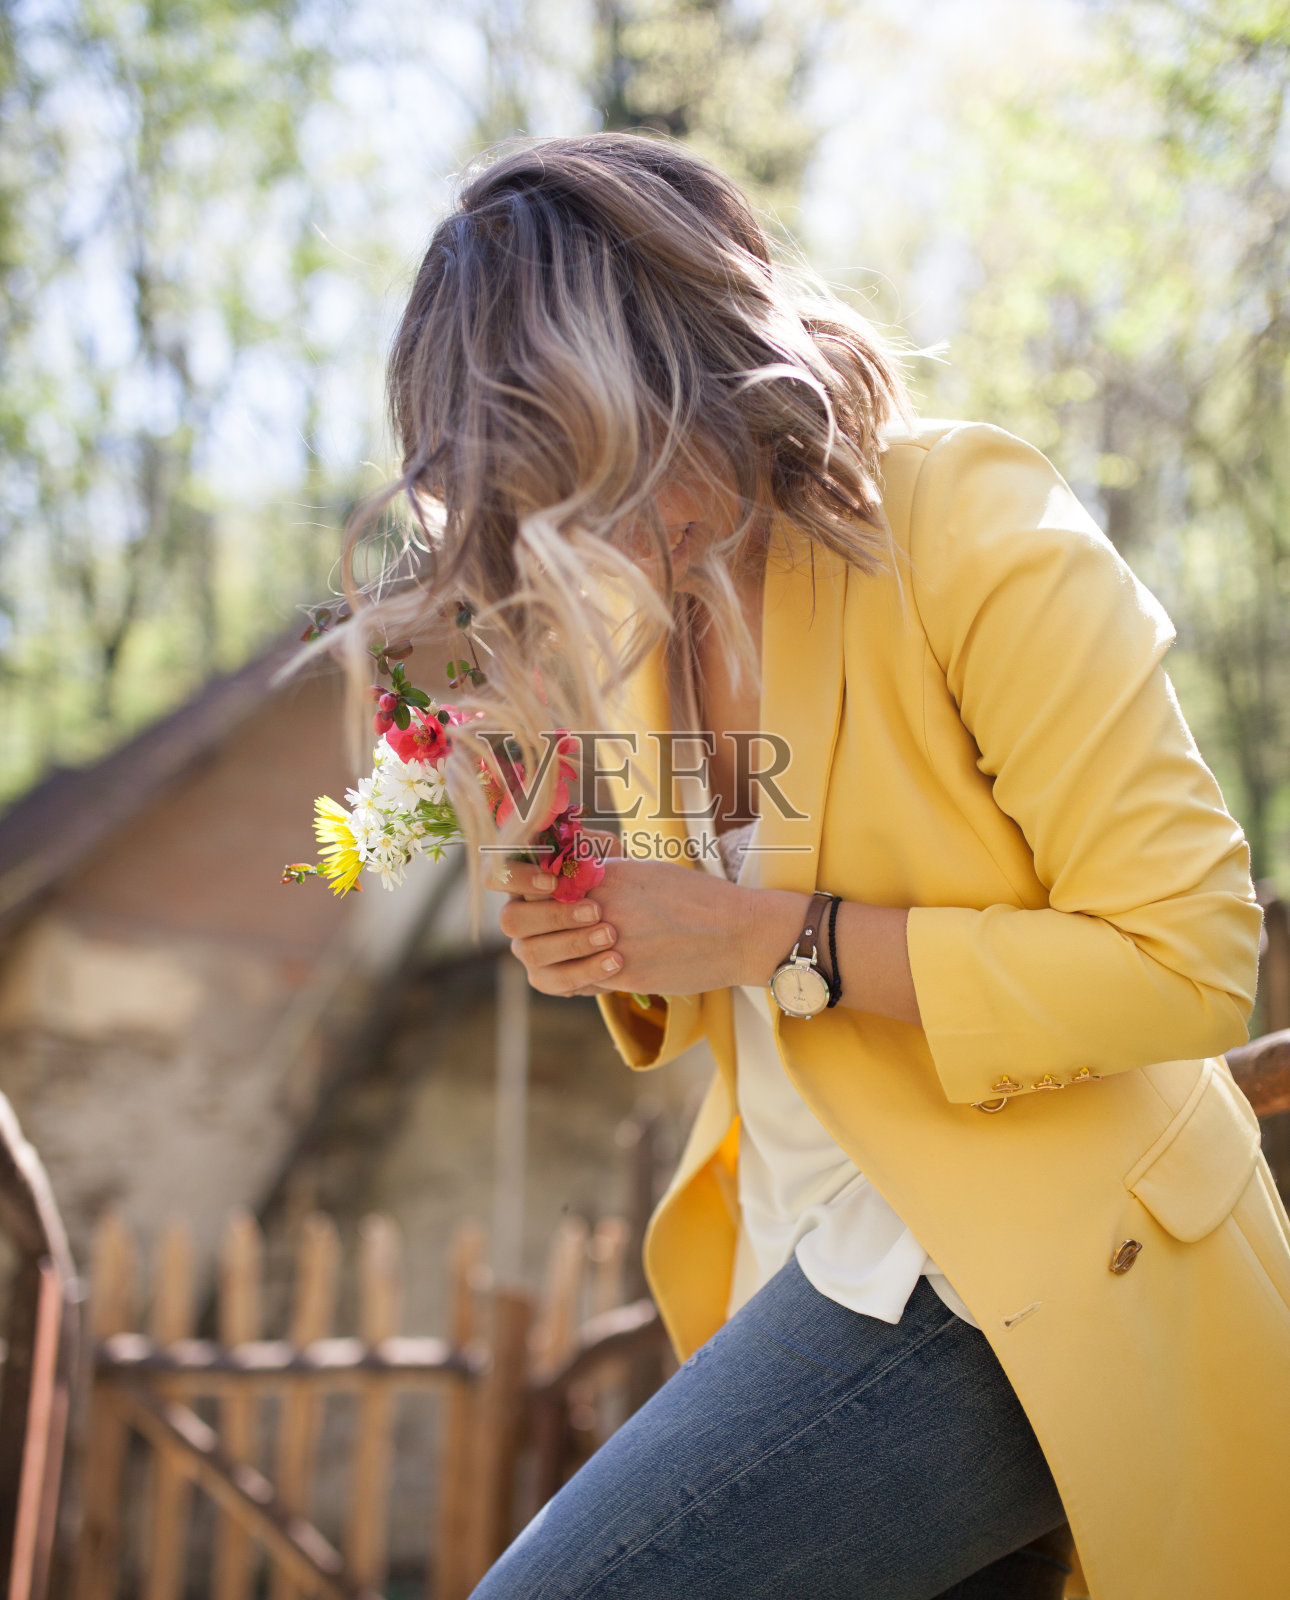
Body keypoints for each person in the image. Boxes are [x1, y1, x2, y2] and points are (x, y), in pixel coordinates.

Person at [352, 133, 1290, 1599]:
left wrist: (765, 934)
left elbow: (1186, 961)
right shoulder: (643, 624)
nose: (576, 546)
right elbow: (706, 958)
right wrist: (592, 941)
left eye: (589, 479)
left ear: (689, 383)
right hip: (790, 1253)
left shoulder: (972, 527)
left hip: (1018, 1262)